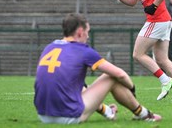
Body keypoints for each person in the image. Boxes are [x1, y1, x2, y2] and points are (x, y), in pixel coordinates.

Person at [34, 13, 162, 124]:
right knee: (110, 76)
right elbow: (120, 74)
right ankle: (144, 114)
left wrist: (104, 109)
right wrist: (132, 88)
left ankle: (108, 111)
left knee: (78, 86)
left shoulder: (49, 47)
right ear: (80, 31)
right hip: (68, 116)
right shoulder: (82, 50)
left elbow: (79, 89)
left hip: (43, 115)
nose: (88, 36)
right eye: (87, 31)